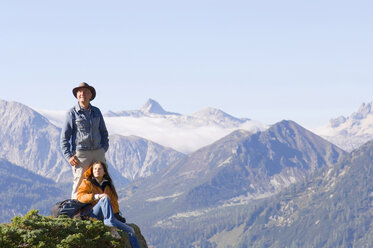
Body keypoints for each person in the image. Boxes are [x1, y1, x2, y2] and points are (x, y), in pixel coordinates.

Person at [60, 82, 109, 199]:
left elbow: (104, 132)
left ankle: (103, 210)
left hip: (98, 152)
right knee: (79, 183)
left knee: (102, 181)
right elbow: (64, 138)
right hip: (81, 154)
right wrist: (68, 156)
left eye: (86, 92)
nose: (83, 94)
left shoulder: (97, 112)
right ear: (77, 95)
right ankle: (75, 213)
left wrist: (103, 149)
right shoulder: (71, 113)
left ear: (91, 95)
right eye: (80, 92)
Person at [77, 161, 140, 248]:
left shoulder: (108, 185)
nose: (97, 171)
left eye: (99, 169)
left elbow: (115, 205)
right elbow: (80, 197)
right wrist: (97, 196)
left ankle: (111, 225)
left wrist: (111, 213)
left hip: (107, 218)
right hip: (92, 215)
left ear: (104, 172)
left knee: (131, 230)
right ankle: (111, 228)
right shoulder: (87, 182)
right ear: (92, 171)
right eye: (95, 169)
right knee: (104, 198)